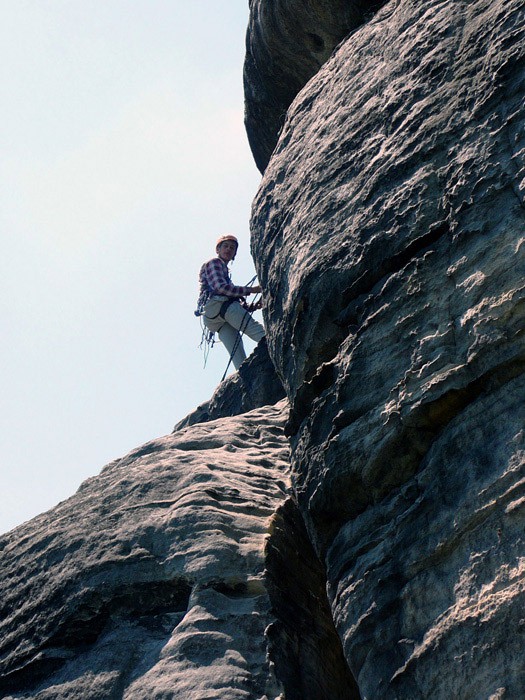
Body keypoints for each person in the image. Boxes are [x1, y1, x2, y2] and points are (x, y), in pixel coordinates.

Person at [197, 234, 265, 370]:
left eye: (232, 248)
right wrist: (252, 290)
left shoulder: (224, 272)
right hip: (219, 305)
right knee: (256, 331)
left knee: (239, 359)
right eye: (225, 246)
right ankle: (280, 344)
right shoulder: (215, 263)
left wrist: (253, 307)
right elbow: (221, 288)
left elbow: (230, 297)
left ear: (234, 254)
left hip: (214, 318)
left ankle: (246, 380)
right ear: (218, 249)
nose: (228, 249)